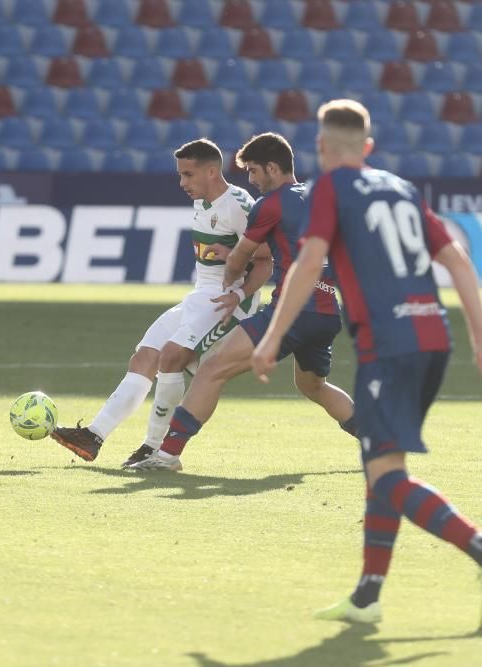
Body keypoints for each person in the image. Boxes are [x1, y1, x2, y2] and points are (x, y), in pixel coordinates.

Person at [252, 99, 482, 624]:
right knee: (381, 467)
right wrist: (479, 333)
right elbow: (459, 260)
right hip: (432, 340)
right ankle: (367, 596)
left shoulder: (332, 187)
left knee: (385, 478)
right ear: (370, 147)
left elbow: (310, 263)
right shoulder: (401, 189)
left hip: (390, 344)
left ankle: (476, 546)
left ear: (321, 148)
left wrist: (272, 335)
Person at [131, 132, 358, 471]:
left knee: (212, 368)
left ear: (272, 167)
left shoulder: (271, 204)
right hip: (326, 311)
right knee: (313, 385)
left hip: (291, 311)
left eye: (253, 171)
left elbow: (241, 257)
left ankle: (166, 455)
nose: (251, 180)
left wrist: (231, 280)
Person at [52, 138, 269, 465]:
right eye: (180, 175)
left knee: (170, 357)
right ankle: (94, 435)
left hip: (230, 302)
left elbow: (267, 260)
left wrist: (239, 289)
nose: (182, 183)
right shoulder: (203, 201)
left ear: (212, 172)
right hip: (200, 296)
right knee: (145, 356)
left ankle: (156, 448)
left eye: (188, 175)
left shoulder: (238, 204)